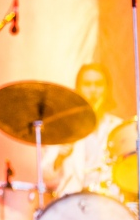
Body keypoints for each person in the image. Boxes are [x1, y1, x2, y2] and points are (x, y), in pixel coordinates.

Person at [42, 63, 125, 198]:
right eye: (87, 84)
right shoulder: (62, 128)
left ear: (107, 89)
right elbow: (46, 179)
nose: (93, 90)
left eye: (98, 84)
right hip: (72, 205)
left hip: (110, 206)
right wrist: (59, 157)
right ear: (78, 89)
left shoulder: (118, 128)